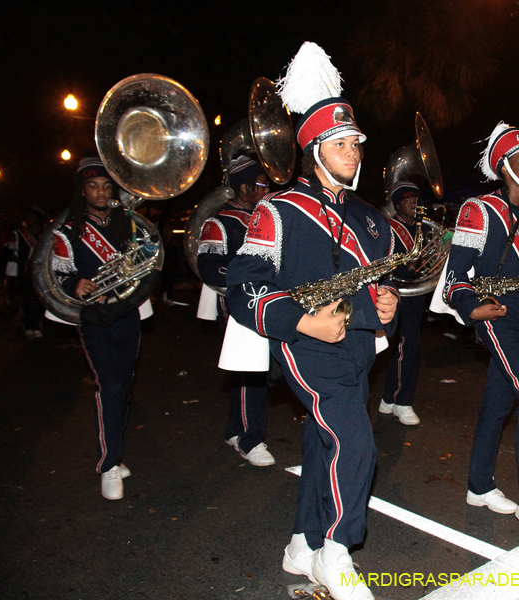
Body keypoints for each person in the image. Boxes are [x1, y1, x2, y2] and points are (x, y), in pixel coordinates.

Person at [224, 42, 398, 600]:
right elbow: (243, 289)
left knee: (326, 445)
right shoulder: (277, 210)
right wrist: (301, 322)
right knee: (357, 445)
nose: (353, 154)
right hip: (305, 345)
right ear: (314, 150)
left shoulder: (370, 219)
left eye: (355, 144)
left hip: (356, 346)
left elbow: (368, 287)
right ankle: (336, 553)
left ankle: (300, 543)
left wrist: (385, 305)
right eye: (341, 144)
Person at [438, 122, 519, 541]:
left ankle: (479, 486)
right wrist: (471, 307)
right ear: (506, 167)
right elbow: (455, 275)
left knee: (499, 401)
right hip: (495, 314)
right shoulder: (479, 210)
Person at [51, 157, 152, 500]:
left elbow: (149, 260)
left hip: (126, 313)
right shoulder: (67, 232)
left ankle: (115, 451)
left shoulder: (128, 225)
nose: (100, 192)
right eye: (93, 186)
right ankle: (109, 464)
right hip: (94, 317)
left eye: (107, 186)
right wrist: (73, 284)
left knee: (123, 387)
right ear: (82, 191)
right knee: (109, 386)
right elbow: (56, 274)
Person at [197, 155, 275, 466]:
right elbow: (208, 267)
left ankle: (235, 429)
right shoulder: (219, 222)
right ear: (244, 187)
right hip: (238, 303)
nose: (266, 189)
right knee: (249, 371)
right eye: (261, 184)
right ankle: (249, 437)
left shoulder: (265, 217)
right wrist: (248, 274)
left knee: (254, 370)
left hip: (265, 300)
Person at [380, 180, 426, 424]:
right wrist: (406, 266)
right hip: (398, 293)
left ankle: (388, 399)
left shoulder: (419, 227)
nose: (413, 204)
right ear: (397, 204)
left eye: (415, 200)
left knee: (405, 347)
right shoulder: (389, 227)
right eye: (408, 200)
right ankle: (402, 401)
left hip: (417, 295)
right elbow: (383, 260)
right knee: (409, 345)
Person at [8, 207, 46, 338]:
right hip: (25, 272)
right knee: (26, 299)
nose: (28, 220)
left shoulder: (46, 233)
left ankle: (38, 323)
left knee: (40, 299)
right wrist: (21, 262)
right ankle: (29, 326)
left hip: (41, 273)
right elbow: (9, 253)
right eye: (27, 217)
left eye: (31, 217)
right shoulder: (18, 234)